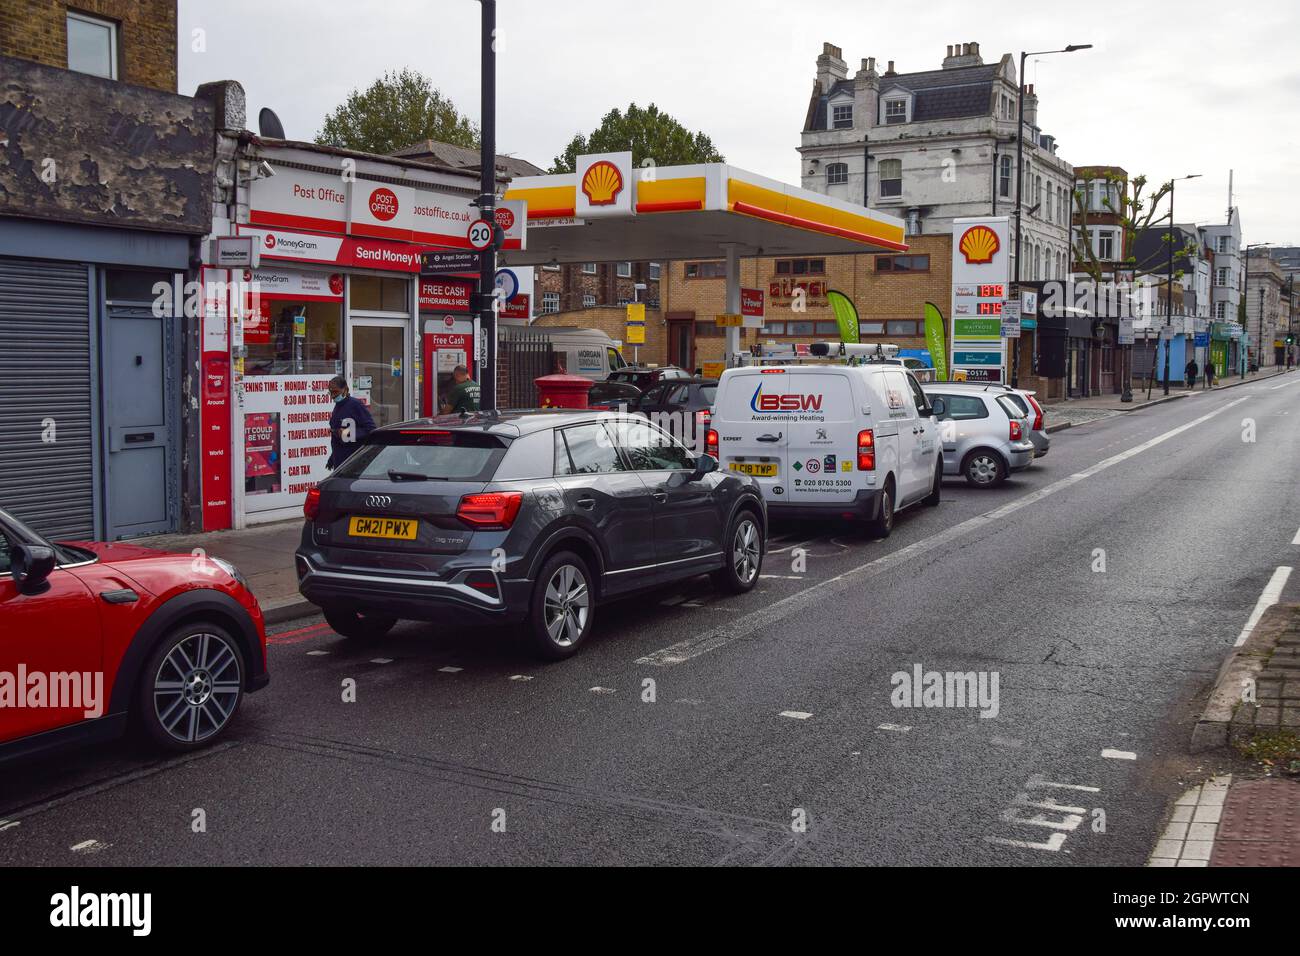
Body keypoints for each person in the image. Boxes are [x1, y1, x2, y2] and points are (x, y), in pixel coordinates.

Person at [325, 376, 375, 469]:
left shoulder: (355, 405)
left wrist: (348, 433)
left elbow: (371, 429)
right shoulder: (337, 407)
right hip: (340, 462)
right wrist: (332, 459)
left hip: (354, 462)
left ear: (345, 390)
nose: (332, 396)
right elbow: (338, 438)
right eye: (330, 392)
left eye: (335, 392)